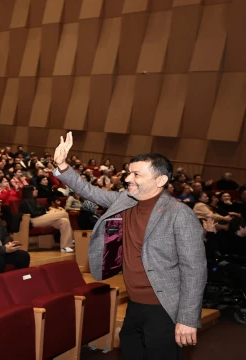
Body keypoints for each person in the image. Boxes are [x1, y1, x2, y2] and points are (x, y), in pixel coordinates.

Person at [53, 132, 206, 358]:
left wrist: (187, 318)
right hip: (135, 305)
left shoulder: (179, 214)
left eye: (136, 174)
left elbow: (195, 269)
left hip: (164, 308)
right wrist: (62, 165)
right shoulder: (125, 200)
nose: (128, 178)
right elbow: (89, 191)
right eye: (128, 173)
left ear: (160, 180)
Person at [19, 185, 74, 253]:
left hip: (41, 217)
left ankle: (65, 247)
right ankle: (71, 238)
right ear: (29, 192)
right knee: (64, 214)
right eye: (35, 190)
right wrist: (43, 211)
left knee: (64, 221)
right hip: (33, 220)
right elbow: (34, 213)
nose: (37, 191)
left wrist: (43, 211)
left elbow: (43, 209)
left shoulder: (35, 200)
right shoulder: (25, 201)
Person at [0, 202, 30, 276]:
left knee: (23, 256)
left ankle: (18, 281)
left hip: (2, 250)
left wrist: (9, 244)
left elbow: (6, 235)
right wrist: (4, 249)